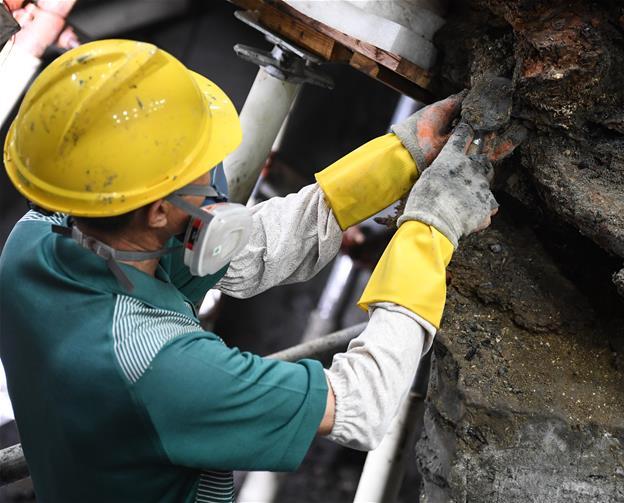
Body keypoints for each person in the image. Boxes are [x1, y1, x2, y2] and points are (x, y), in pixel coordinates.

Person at [0, 39, 515, 502]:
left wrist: (399, 157)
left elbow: (253, 253)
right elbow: (361, 405)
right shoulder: (160, 368)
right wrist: (430, 231)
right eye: (200, 165)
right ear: (157, 212)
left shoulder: (36, 243)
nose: (215, 173)